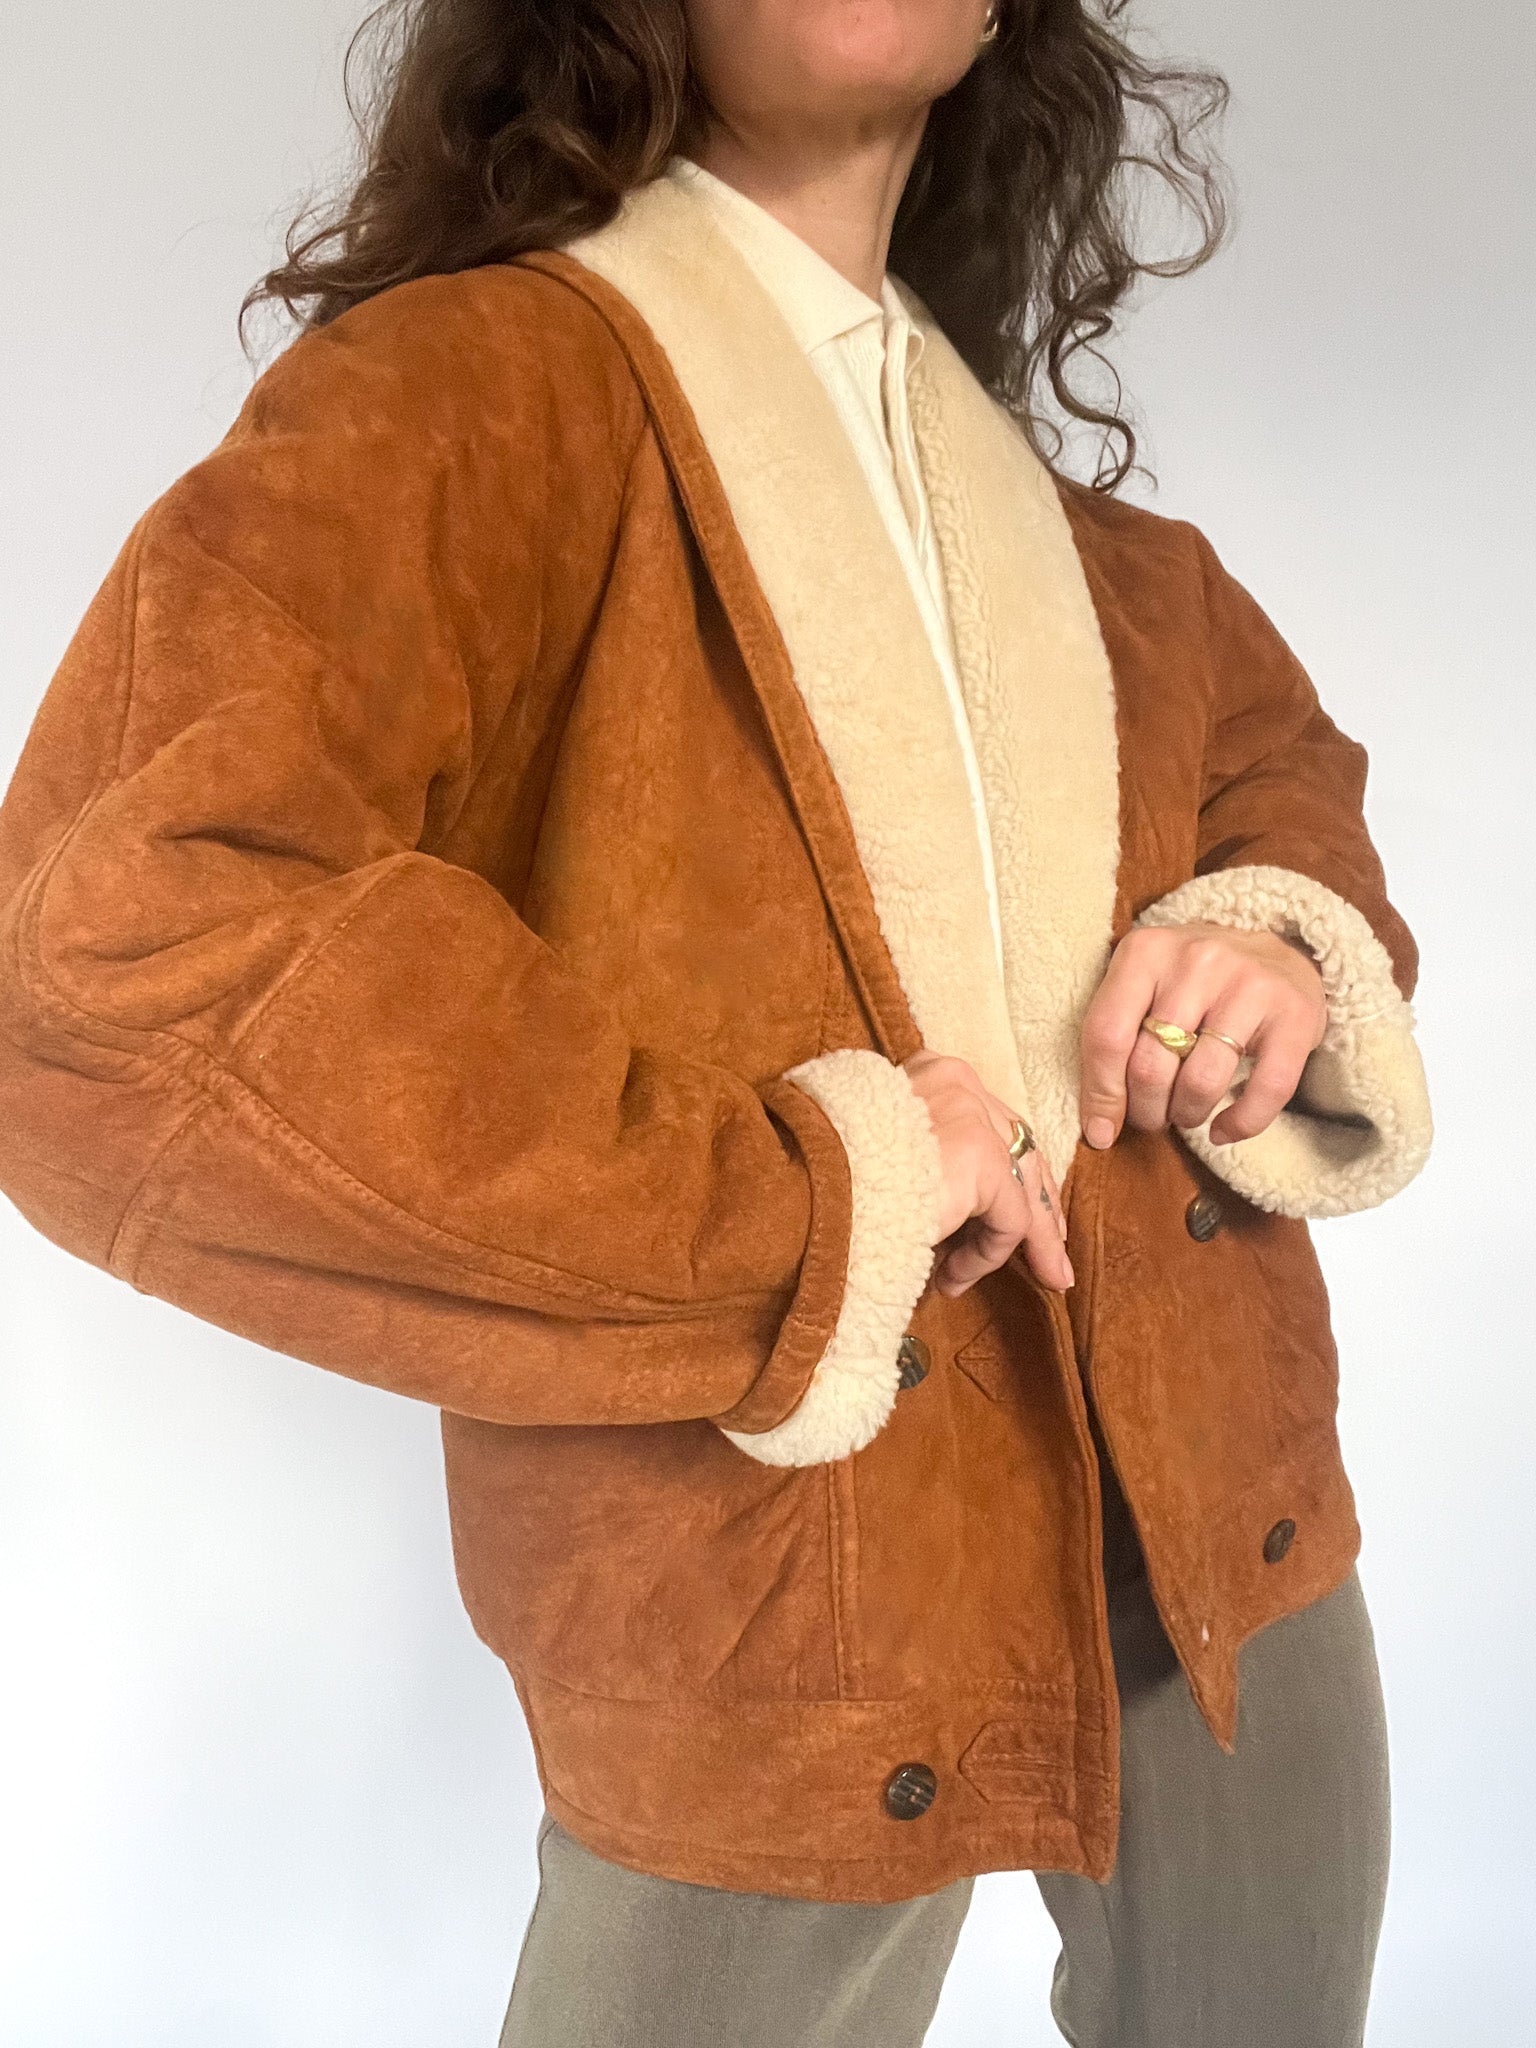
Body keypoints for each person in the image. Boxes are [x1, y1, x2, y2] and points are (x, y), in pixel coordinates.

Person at [0, 1, 1433, 2042]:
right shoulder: (461, 398)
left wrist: (1273, 940)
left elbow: (1273, 763)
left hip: (1236, 1507)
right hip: (768, 1569)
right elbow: (115, 956)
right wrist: (806, 1202)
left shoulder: (1071, 531)